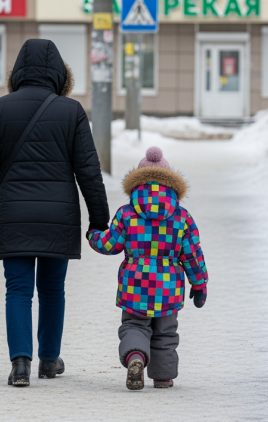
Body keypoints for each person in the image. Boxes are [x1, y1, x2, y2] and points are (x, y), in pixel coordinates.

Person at [0, 39, 109, 387]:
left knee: (17, 288)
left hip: (12, 214)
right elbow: (88, 171)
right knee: (52, 289)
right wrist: (99, 219)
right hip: (58, 215)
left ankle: (20, 363)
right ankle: (49, 359)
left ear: (17, 72)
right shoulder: (71, 111)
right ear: (60, 74)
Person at [86, 146, 209, 391]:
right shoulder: (182, 217)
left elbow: (110, 244)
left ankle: (135, 357)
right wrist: (199, 282)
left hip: (135, 283)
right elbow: (193, 254)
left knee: (134, 325)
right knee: (165, 332)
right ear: (171, 184)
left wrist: (93, 235)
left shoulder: (127, 214)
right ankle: (163, 377)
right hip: (169, 285)